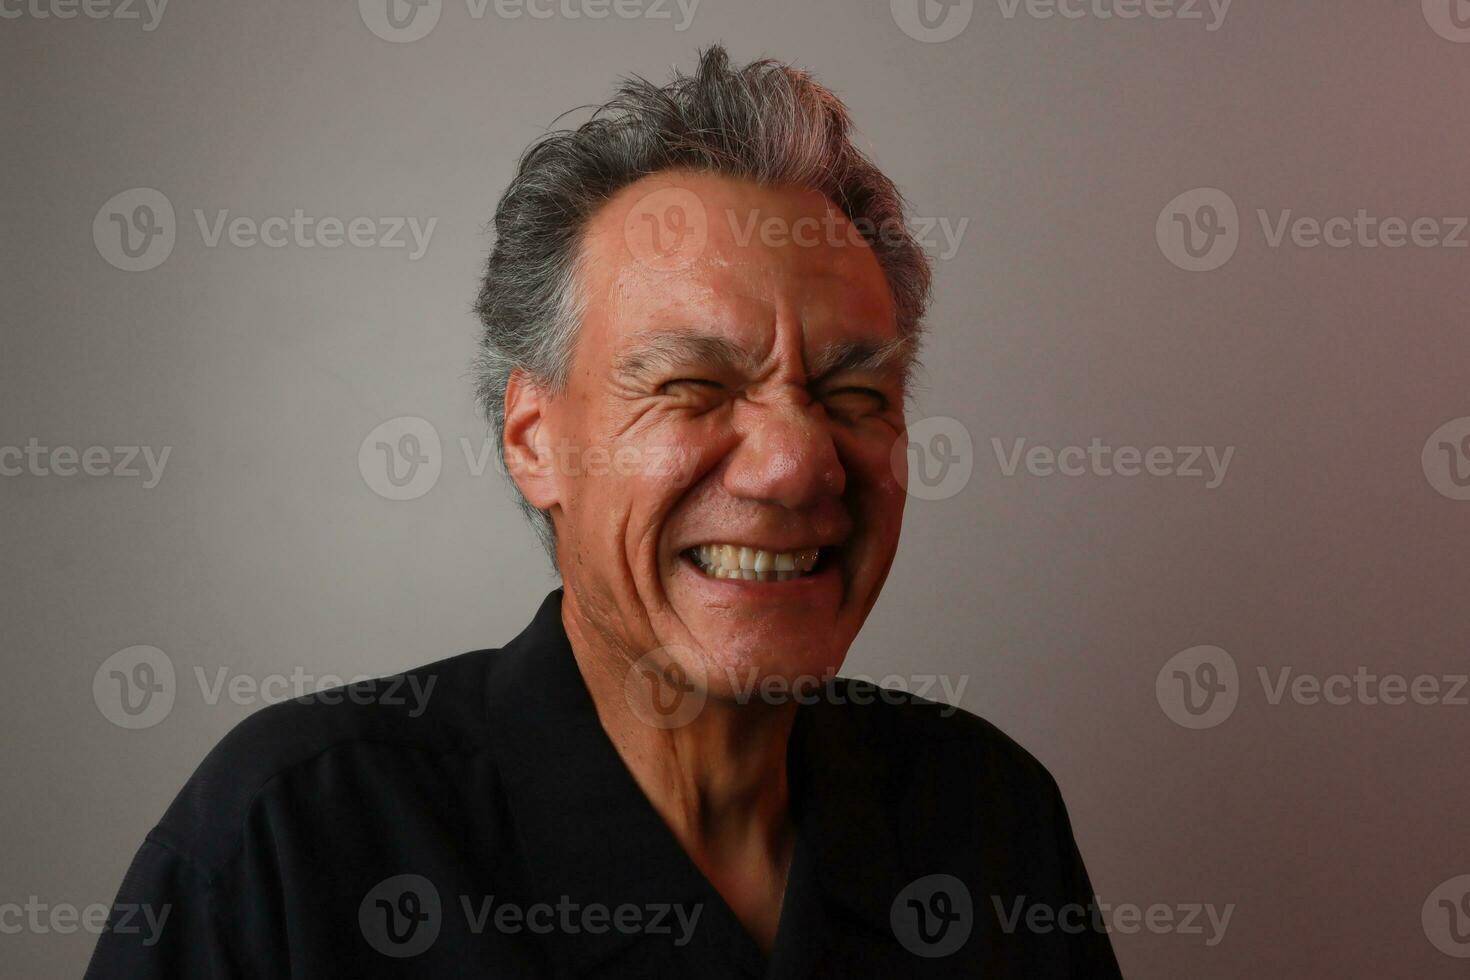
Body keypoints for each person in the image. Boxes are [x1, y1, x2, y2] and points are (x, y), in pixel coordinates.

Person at [85, 46, 1122, 977]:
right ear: (533, 439)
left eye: (854, 396)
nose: (798, 462)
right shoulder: (291, 842)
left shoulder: (988, 816)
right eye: (693, 386)